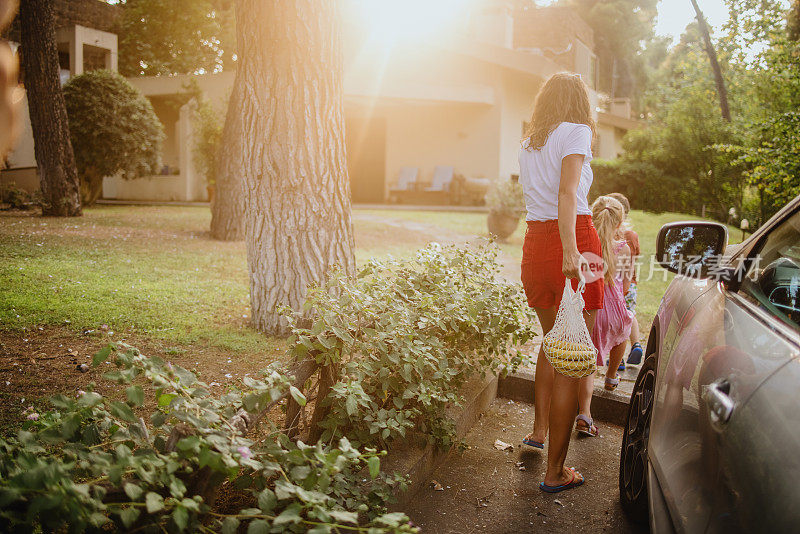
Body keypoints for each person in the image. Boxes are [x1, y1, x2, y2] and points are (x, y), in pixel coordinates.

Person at [518, 72, 604, 493]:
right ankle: (555, 473)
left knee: (552, 342)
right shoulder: (577, 131)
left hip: (534, 243)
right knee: (571, 357)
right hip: (574, 240)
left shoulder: (530, 142)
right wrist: (571, 250)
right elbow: (568, 194)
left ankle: (537, 431)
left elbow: (541, 198)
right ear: (579, 101)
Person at [587, 196, 633, 394]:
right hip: (613, 309)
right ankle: (611, 376)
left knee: (587, 347)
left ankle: (584, 388)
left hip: (590, 307)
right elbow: (626, 286)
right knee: (623, 333)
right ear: (620, 223)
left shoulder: (586, 244)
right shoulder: (624, 249)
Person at [607, 192, 644, 366]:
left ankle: (618, 360)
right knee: (629, 315)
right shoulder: (633, 235)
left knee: (615, 320)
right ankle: (636, 344)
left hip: (614, 285)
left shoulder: (612, 234)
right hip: (631, 284)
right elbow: (634, 260)